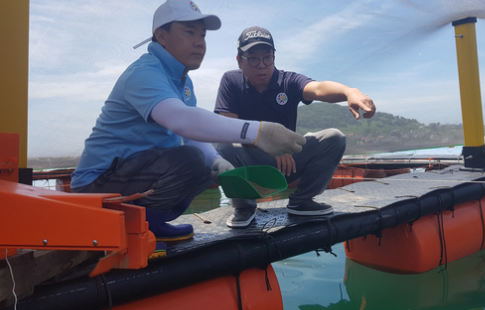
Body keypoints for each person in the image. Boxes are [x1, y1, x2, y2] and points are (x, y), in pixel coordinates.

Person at [70, 2, 305, 241]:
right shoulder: (144, 73)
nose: (199, 42)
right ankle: (142, 225)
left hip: (128, 174)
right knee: (191, 161)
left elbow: (191, 134)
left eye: (202, 35)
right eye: (189, 33)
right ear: (162, 36)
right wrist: (258, 131)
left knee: (203, 164)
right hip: (96, 186)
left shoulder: (182, 81)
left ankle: (148, 221)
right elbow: (181, 119)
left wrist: (217, 163)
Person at [214, 26, 376, 228]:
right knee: (222, 145)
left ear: (274, 57)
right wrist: (271, 146)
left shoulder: (287, 81)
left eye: (267, 58)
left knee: (334, 137)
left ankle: (302, 201)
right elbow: (226, 127)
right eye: (253, 59)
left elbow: (317, 88)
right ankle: (244, 207)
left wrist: (348, 92)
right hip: (251, 162)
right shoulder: (231, 81)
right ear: (239, 61)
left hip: (288, 162)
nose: (261, 65)